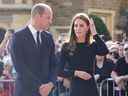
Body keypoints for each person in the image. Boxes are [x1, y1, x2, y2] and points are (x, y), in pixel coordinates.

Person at [10, 3, 56, 96]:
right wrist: (39, 87)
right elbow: (20, 67)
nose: (50, 21)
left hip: (47, 92)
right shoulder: (18, 37)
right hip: (25, 92)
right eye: (48, 17)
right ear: (38, 16)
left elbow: (54, 64)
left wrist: (51, 84)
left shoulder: (48, 37)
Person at [58, 13, 109, 96]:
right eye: (75, 25)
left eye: (81, 25)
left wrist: (95, 33)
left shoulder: (92, 45)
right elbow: (59, 71)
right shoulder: (66, 46)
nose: (78, 28)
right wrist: (76, 73)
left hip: (91, 88)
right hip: (76, 89)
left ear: (88, 28)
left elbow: (105, 51)